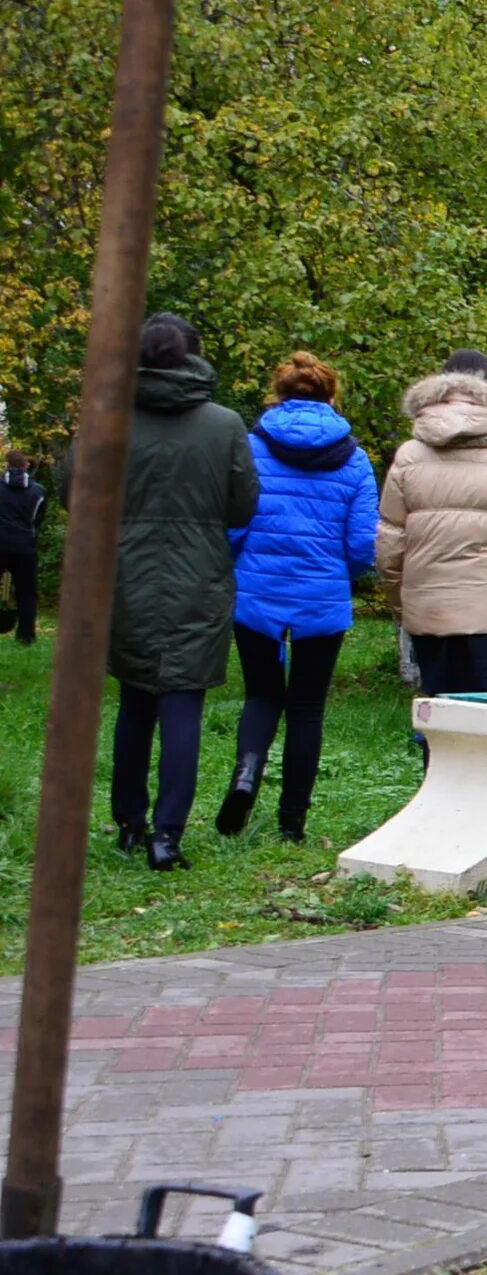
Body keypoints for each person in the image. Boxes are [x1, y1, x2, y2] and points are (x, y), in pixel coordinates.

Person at [110, 313, 259, 870]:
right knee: (182, 706)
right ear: (194, 357)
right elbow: (243, 504)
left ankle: (129, 821)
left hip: (127, 573)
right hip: (199, 574)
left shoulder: (112, 417)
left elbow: (80, 485)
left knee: (134, 697)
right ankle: (167, 835)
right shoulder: (223, 425)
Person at [220, 352, 378, 842]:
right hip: (321, 598)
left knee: (261, 694)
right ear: (332, 397)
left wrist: (237, 562)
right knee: (307, 708)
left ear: (279, 394)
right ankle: (293, 822)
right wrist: (337, 574)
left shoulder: (250, 448)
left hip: (256, 593)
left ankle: (246, 776)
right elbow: (361, 544)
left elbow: (234, 523)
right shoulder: (354, 459)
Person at [376, 348, 487, 696]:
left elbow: (390, 547)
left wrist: (403, 604)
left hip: (429, 608)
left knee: (439, 716)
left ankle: (432, 750)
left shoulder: (409, 456)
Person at [0, 446, 47, 643]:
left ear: (6, 465)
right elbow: (37, 520)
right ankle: (26, 636)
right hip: (25, 546)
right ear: (26, 465)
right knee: (27, 593)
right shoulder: (39, 491)